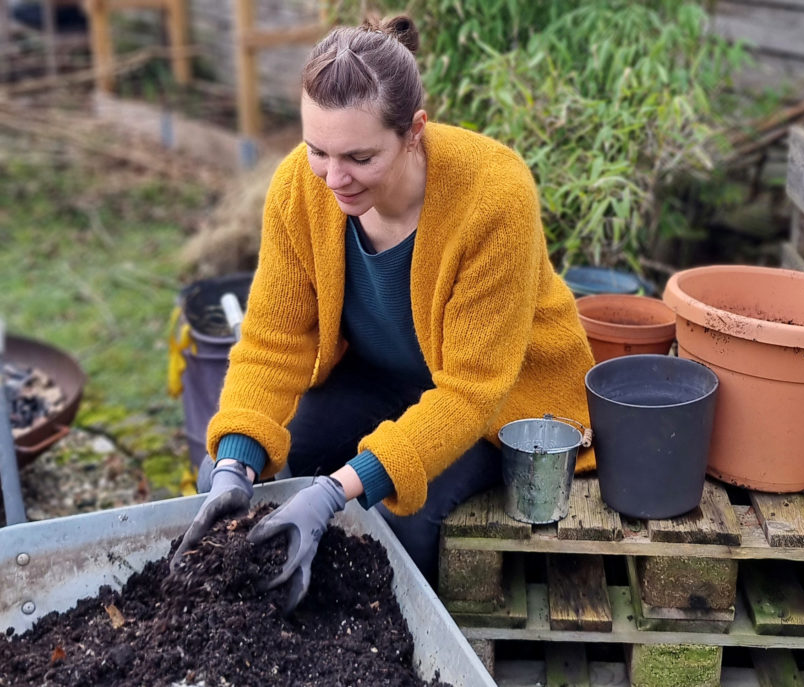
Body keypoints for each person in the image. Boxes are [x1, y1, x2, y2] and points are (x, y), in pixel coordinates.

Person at [171, 14, 595, 611]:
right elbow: (271, 341)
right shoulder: (301, 187)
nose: (334, 178)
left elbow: (471, 393)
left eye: (359, 157)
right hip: (377, 378)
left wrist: (338, 490)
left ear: (414, 130)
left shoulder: (493, 196)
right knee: (288, 462)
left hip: (494, 402)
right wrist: (231, 463)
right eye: (318, 150)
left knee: (401, 525)